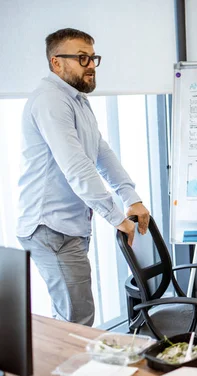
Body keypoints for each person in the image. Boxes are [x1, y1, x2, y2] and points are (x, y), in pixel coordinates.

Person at [16, 28, 149, 327]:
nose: (90, 65)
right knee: (75, 323)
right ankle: (65, 374)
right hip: (50, 227)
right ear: (56, 63)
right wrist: (116, 217)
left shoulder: (76, 100)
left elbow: (101, 153)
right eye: (81, 58)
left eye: (92, 57)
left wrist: (132, 198)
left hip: (68, 226)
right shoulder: (50, 100)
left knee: (72, 318)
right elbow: (76, 167)